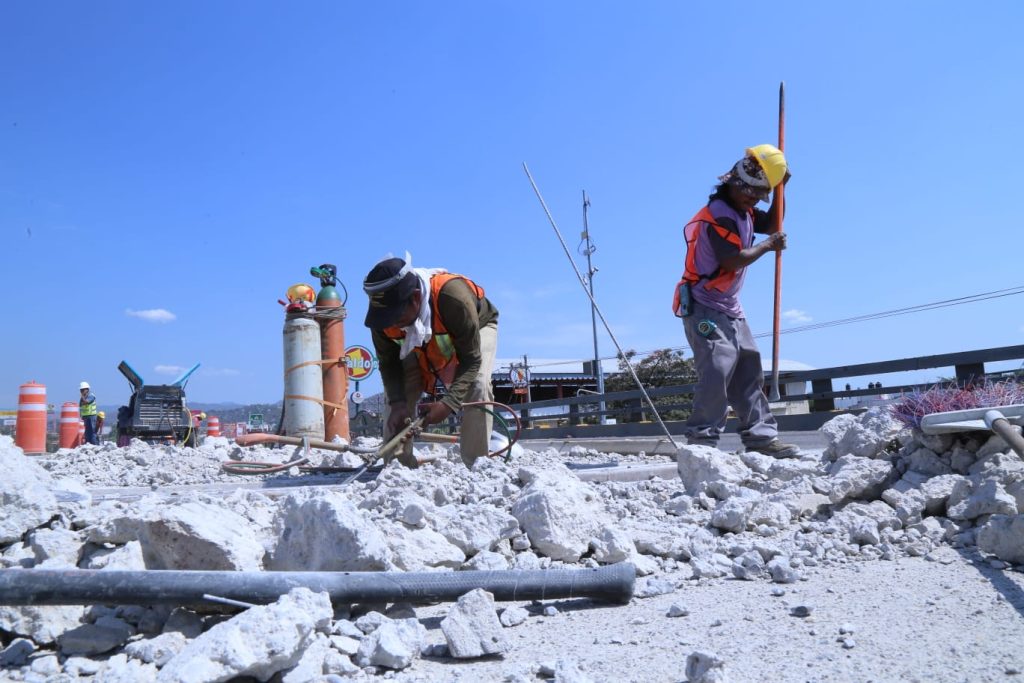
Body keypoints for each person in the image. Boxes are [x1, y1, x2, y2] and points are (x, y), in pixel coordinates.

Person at [672, 145, 799, 458]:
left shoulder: (743, 211)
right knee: (717, 370)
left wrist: (782, 188)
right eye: (751, 195)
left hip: (729, 306)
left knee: (748, 370)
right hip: (704, 304)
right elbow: (731, 260)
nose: (754, 201)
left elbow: (772, 224)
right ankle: (702, 443)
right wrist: (768, 246)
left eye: (759, 197)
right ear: (734, 184)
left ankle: (761, 438)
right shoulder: (718, 214)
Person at [363, 253, 499, 469]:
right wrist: (398, 403)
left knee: (477, 385)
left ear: (416, 297)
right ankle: (397, 468)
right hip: (421, 339)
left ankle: (475, 466)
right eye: (388, 318)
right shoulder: (383, 320)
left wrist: (448, 404)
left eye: (397, 316)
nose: (393, 324)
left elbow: (471, 360)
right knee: (397, 393)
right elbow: (389, 364)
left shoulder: (453, 298)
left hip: (475, 329)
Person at [78, 381, 100, 446]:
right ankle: (88, 445)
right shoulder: (83, 397)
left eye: (82, 390)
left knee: (92, 431)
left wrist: (82, 397)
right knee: (87, 432)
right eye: (80, 390)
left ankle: (94, 445)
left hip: (91, 416)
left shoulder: (91, 396)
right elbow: (80, 405)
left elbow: (86, 402)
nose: (81, 391)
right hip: (86, 416)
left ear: (87, 389)